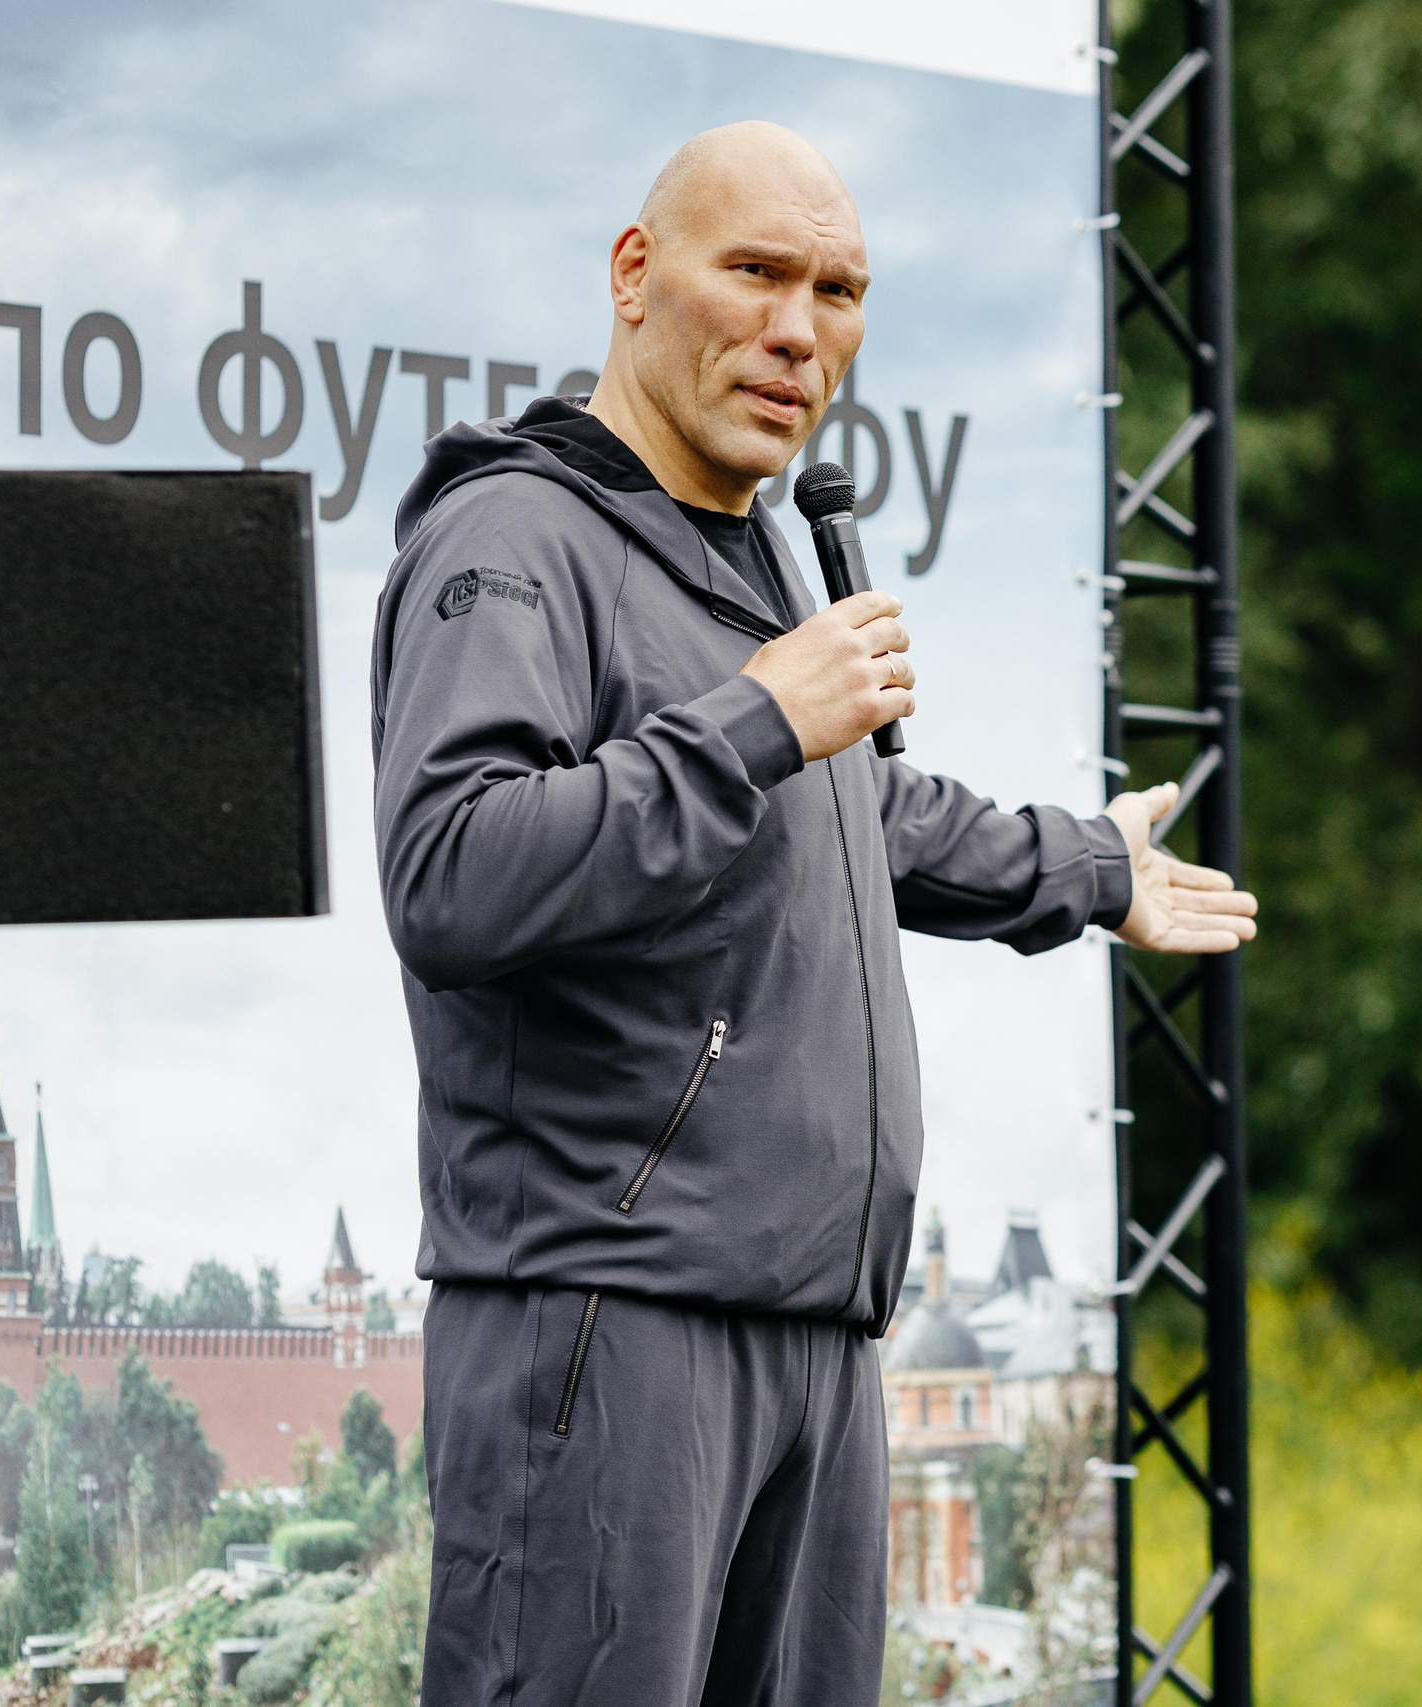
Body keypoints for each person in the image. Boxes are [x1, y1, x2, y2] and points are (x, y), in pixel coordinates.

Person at [370, 122, 1258, 1707]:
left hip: (816, 1326)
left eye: (839, 291)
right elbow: (456, 867)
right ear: (638, 276)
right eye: (760, 273)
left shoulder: (758, 554)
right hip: (609, 1312)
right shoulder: (514, 533)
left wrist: (1087, 869)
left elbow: (856, 818)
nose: (802, 330)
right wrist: (759, 718)